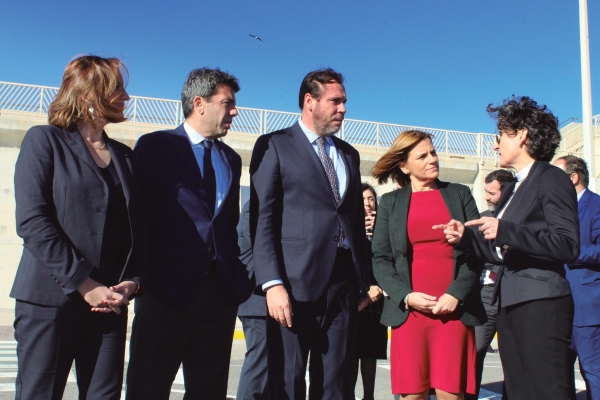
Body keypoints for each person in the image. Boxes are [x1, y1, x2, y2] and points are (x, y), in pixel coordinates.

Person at [11, 55, 141, 399]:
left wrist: (134, 281)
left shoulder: (126, 157)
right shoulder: (45, 141)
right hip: (51, 301)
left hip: (110, 302)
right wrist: (85, 283)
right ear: (87, 95)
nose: (126, 97)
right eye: (117, 89)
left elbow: (136, 231)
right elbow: (33, 222)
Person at [436, 96, 579, 399]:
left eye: (500, 136)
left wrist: (507, 230)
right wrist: (465, 237)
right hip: (510, 303)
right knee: (516, 391)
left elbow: (567, 245)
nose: (496, 144)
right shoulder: (514, 187)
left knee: (545, 390)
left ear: (523, 135)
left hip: (542, 302)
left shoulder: (552, 178)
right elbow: (501, 252)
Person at [126, 68, 253, 399]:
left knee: (208, 391)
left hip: (218, 297)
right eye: (228, 103)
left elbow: (224, 226)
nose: (235, 111)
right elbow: (136, 217)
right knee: (148, 388)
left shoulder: (231, 159)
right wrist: (141, 277)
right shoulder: (156, 146)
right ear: (200, 103)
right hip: (164, 294)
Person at [250, 68, 369, 399]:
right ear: (309, 101)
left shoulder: (349, 154)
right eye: (335, 101)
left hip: (343, 283)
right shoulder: (274, 145)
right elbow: (264, 220)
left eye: (344, 101)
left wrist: (364, 279)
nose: (343, 108)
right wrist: (272, 283)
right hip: (292, 283)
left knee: (337, 381)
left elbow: (355, 220)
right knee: (287, 381)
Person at [371, 129, 485, 400]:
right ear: (404, 165)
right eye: (422, 156)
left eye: (433, 152)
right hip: (410, 312)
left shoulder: (460, 194)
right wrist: (406, 296)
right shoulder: (390, 203)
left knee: (451, 394)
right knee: (412, 394)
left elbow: (477, 251)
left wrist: (456, 293)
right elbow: (380, 258)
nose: (432, 159)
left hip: (454, 311)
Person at [464, 169, 514, 400]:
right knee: (475, 354)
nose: (486, 197)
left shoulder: (519, 220)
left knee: (513, 359)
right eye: (485, 191)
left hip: (512, 297)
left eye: (491, 193)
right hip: (484, 298)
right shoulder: (480, 219)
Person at [554, 155, 600, 400]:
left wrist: (570, 253)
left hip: (586, 306)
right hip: (557, 303)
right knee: (558, 373)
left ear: (573, 178)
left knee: (592, 372)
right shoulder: (558, 210)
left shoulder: (596, 206)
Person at [353, 183, 388, 400]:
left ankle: (369, 396)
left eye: (371, 199)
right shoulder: (349, 226)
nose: (368, 204)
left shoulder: (382, 227)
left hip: (375, 300)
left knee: (370, 353)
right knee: (350, 353)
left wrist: (378, 233)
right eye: (363, 199)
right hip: (356, 297)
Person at [237, 200, 269, 400]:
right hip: (257, 299)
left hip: (263, 299)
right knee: (259, 364)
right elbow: (263, 246)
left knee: (268, 367)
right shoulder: (256, 205)